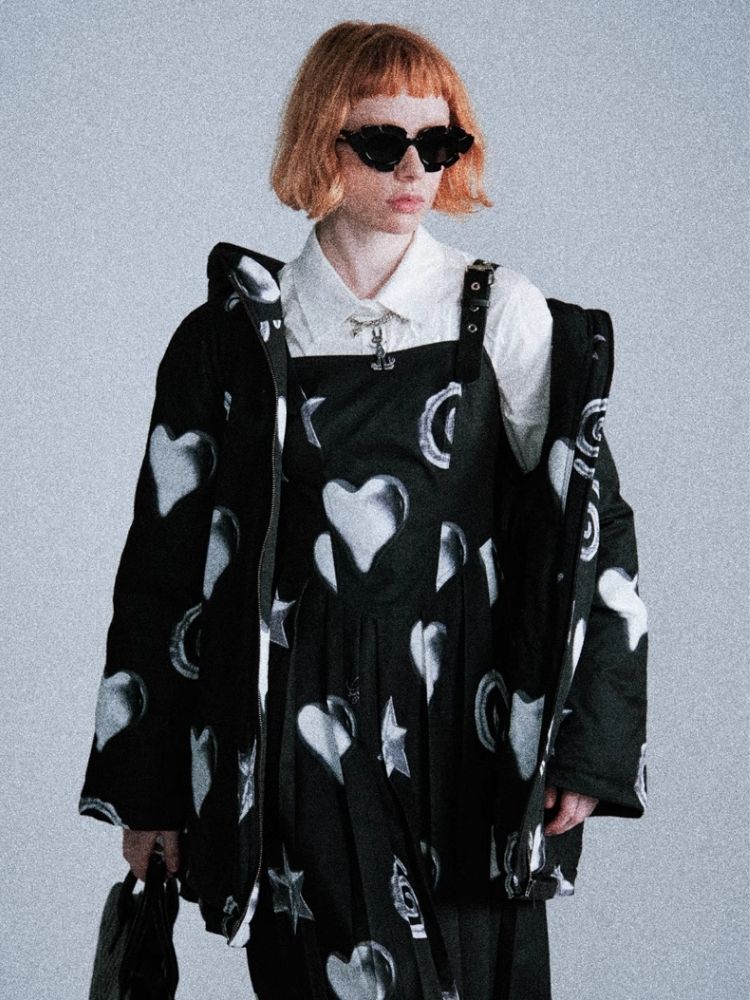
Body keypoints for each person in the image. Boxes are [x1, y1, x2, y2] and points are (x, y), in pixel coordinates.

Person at [78, 19, 648, 1000]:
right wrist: (149, 789)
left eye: (440, 141)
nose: (415, 168)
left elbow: (594, 527)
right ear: (321, 141)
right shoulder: (233, 339)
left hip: (467, 734)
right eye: (384, 141)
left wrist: (584, 745)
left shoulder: (500, 313)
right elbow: (165, 573)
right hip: (295, 743)